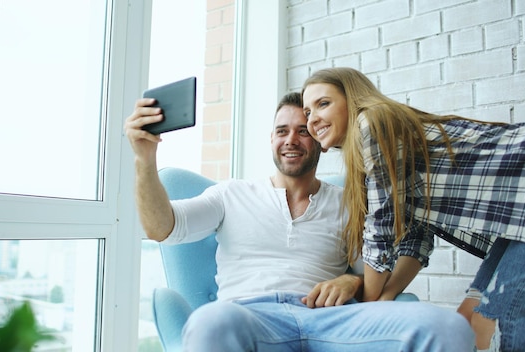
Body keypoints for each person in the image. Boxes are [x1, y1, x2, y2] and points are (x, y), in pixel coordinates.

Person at [124, 91, 474, 351]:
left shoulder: (352, 203)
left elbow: (371, 277)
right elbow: (161, 227)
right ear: (272, 140)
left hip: (331, 321)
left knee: (447, 328)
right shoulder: (229, 195)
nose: (291, 140)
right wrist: (144, 159)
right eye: (281, 131)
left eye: (303, 131)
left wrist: (349, 283)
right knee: (210, 321)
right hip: (250, 317)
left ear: (321, 141)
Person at [301, 67, 525, 352]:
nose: (313, 118)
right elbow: (417, 237)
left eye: (323, 103)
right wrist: (385, 299)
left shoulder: (370, 122)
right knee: (470, 322)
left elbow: (380, 229)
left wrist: (367, 310)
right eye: (307, 112)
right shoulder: (373, 148)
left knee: (506, 320)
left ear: (352, 98)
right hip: (518, 217)